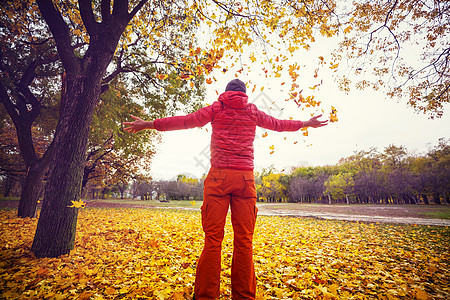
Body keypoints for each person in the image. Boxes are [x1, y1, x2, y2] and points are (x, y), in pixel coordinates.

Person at [123, 79, 328, 300]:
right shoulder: (253, 112)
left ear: (226, 92)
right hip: (244, 179)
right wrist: (306, 123)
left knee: (213, 239)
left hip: (218, 177)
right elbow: (279, 125)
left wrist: (149, 124)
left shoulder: (216, 108)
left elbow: (185, 121)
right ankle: (244, 297)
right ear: (244, 94)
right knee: (244, 240)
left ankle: (206, 296)